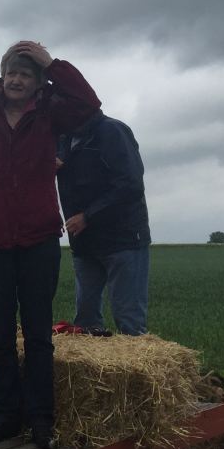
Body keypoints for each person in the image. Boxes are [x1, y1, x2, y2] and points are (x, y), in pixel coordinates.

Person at [0, 41, 100, 449]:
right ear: (1, 77)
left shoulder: (51, 115)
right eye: (11, 73)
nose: (16, 80)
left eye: (26, 74)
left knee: (38, 334)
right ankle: (6, 417)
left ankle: (41, 420)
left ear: (38, 82)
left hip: (38, 241)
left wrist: (54, 64)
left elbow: (88, 104)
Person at [56, 111, 151, 335]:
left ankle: (134, 358)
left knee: (129, 321)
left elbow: (131, 184)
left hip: (122, 239)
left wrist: (88, 216)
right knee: (86, 322)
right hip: (84, 242)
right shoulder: (63, 138)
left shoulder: (112, 131)